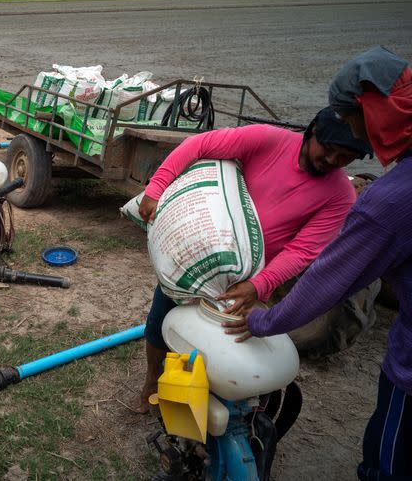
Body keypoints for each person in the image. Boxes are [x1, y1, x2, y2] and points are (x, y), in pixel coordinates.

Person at [224, 46, 412, 480]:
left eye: (352, 127)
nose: (355, 142)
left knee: (387, 466)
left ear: (374, 111)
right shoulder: (269, 143)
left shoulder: (386, 202)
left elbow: (327, 275)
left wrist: (264, 320)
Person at [132, 108, 373, 413]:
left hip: (251, 277)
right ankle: (152, 382)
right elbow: (199, 146)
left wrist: (259, 285)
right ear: (312, 132)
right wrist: (156, 187)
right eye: (328, 149)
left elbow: (302, 251)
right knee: (160, 320)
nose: (332, 161)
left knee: (227, 342)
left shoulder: (339, 196)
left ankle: (216, 404)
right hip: (200, 252)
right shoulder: (269, 140)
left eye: (344, 158)